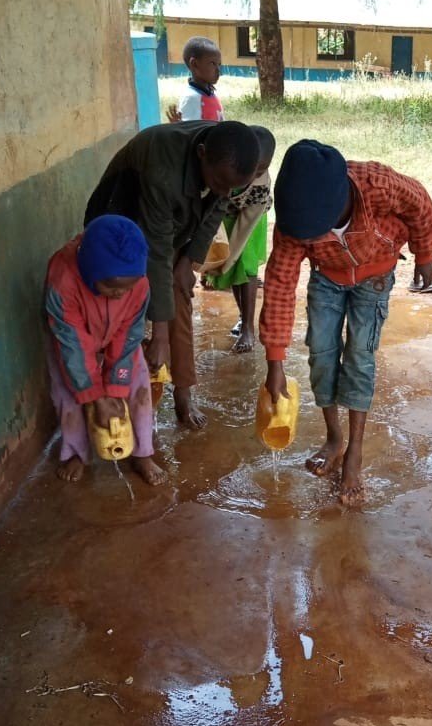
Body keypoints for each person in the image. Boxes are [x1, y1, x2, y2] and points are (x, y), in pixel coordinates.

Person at [260, 141, 432, 506]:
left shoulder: (377, 185)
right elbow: (279, 283)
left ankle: (354, 451)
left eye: (315, 230)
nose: (308, 239)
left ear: (341, 201)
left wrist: (424, 254)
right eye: (304, 233)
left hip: (375, 276)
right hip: (327, 279)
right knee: (321, 354)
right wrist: (274, 362)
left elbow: (419, 204)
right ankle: (334, 438)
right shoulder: (295, 221)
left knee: (360, 355)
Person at [84, 120, 260, 429]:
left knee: (179, 290)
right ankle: (120, 403)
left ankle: (183, 391)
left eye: (233, 187)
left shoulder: (227, 163)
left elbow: (216, 207)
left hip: (170, 226)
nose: (225, 191)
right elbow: (157, 253)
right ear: (202, 154)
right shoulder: (161, 168)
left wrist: (190, 261)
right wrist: (159, 336)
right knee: (125, 315)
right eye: (220, 182)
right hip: (120, 225)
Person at [45, 214, 166, 486]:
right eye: (111, 286)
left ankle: (143, 452)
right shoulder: (63, 280)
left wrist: (115, 387)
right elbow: (72, 346)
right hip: (71, 338)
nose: (120, 293)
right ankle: (77, 453)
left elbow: (129, 334)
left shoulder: (139, 286)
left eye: (128, 287)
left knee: (139, 386)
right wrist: (96, 398)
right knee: (68, 394)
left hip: (117, 335)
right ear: (90, 270)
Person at [208, 127, 276, 353]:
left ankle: (248, 327)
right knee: (233, 270)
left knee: (244, 266)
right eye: (251, 167)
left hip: (251, 217)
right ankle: (242, 316)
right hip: (225, 215)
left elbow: (243, 231)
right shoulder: (222, 167)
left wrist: (222, 264)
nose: (253, 174)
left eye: (261, 170)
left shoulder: (260, 187)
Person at [167, 36, 224, 123]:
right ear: (194, 64)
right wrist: (179, 125)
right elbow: (191, 132)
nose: (218, 70)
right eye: (212, 64)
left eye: (219, 65)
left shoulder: (211, 93)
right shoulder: (191, 98)